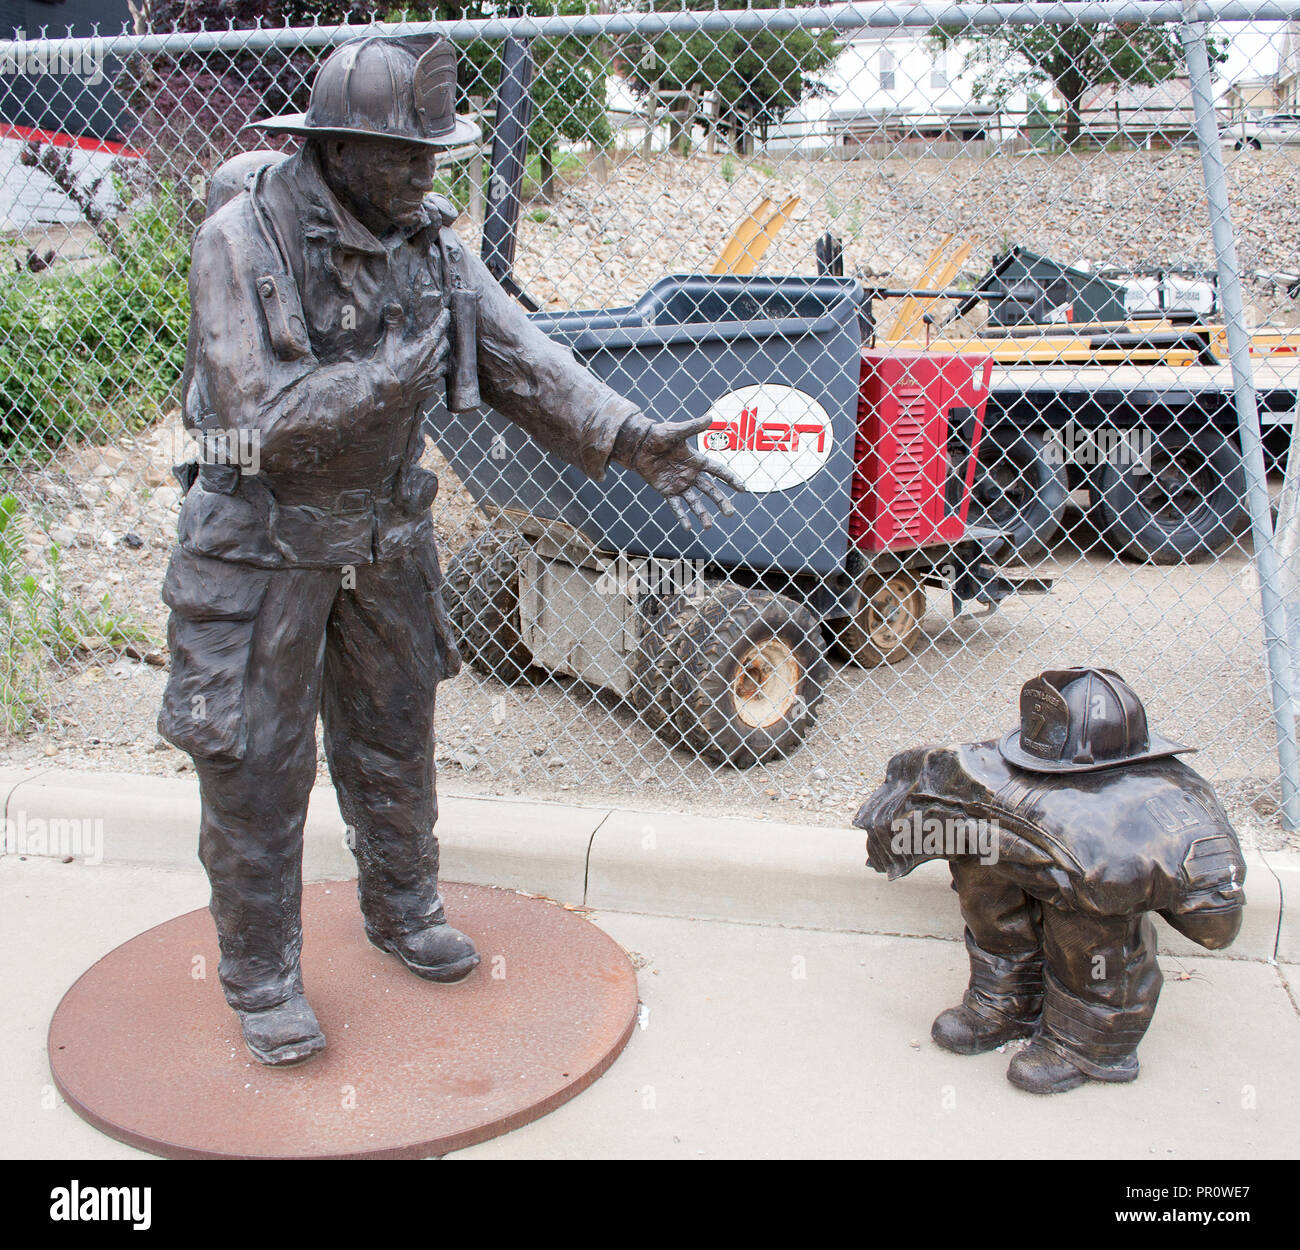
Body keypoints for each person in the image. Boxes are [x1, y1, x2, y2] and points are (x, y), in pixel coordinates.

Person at [158, 35, 742, 1066]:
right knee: (256, 762)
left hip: (383, 531)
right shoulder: (239, 239)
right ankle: (258, 974)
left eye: (438, 153)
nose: (430, 173)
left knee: (393, 733)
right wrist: (402, 372)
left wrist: (625, 434)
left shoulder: (426, 242)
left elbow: (523, 357)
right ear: (337, 149)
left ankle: (403, 902)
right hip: (259, 543)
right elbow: (260, 411)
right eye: (407, 153)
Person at [855, 668, 1246, 1094]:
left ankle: (1092, 1040)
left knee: (1093, 899)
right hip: (1025, 884)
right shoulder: (1000, 776)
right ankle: (1009, 997)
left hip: (1100, 946)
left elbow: (1217, 930)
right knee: (981, 846)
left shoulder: (1179, 799)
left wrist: (1128, 878)